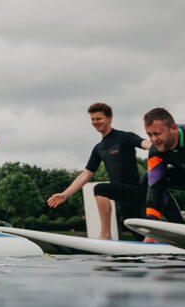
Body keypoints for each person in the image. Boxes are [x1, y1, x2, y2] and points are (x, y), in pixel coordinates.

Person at [45, 103, 150, 240]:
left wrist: (158, 144)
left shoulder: (123, 137)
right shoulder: (99, 148)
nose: (95, 122)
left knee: (100, 189)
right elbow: (86, 174)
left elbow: (145, 143)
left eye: (99, 118)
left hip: (136, 191)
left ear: (109, 118)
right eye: (93, 119)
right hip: (123, 197)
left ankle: (105, 234)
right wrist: (65, 194)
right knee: (138, 233)